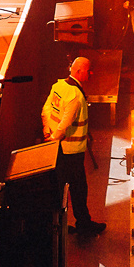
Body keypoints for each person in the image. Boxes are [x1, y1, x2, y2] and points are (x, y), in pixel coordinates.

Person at [42, 55, 102, 235]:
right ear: (78, 71)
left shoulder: (58, 86)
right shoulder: (76, 95)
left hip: (56, 147)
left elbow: (46, 109)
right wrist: (55, 137)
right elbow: (66, 123)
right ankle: (83, 224)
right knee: (78, 189)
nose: (91, 73)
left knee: (58, 188)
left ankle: (58, 225)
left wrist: (47, 132)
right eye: (88, 70)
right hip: (70, 150)